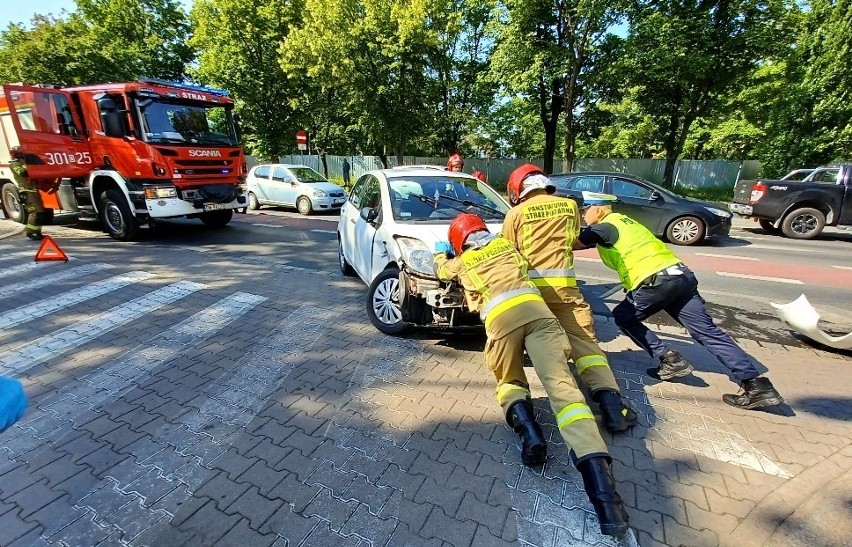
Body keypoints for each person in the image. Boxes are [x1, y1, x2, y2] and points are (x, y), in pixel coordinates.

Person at [433, 213, 629, 537]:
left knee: (508, 381)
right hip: (539, 314)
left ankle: (530, 434)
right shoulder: (508, 247)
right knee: (565, 392)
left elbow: (441, 271)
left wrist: (442, 253)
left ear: (459, 242)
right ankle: (607, 501)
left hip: (501, 322)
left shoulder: (462, 259)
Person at [577, 192, 784, 410]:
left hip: (656, 282)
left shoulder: (604, 227)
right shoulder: (625, 222)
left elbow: (573, 243)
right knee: (707, 332)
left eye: (584, 210)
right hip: (681, 276)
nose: (583, 215)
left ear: (598, 209)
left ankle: (669, 358)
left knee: (623, 317)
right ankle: (757, 385)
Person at [503, 164, 637, 432]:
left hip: (532, 295)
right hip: (566, 292)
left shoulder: (515, 214)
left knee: (533, 348)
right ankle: (612, 406)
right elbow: (572, 240)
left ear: (519, 189)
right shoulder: (569, 207)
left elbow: (509, 252)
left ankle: (536, 410)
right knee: (587, 348)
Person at [10, 147, 46, 240]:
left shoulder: (23, 161)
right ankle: (31, 233)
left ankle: (37, 232)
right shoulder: (15, 164)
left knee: (40, 212)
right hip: (27, 191)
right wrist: (28, 164)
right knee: (35, 212)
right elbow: (23, 173)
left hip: (33, 190)